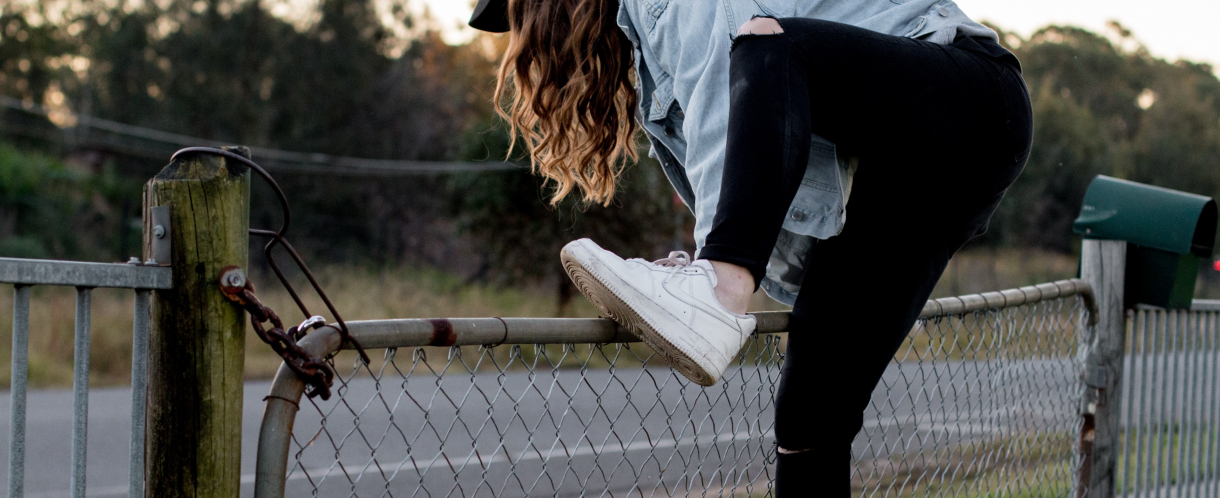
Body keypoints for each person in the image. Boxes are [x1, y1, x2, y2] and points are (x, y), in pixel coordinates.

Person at [469, 0, 1032, 492]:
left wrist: (719, 270)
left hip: (965, 100)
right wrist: (715, 256)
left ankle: (718, 289)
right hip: (908, 172)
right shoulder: (648, 42)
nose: (527, 33)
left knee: (770, 47)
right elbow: (770, 148)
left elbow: (733, 75)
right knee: (811, 419)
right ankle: (717, 284)